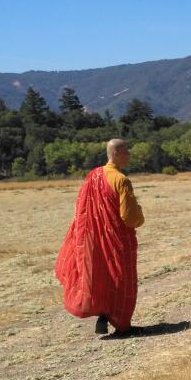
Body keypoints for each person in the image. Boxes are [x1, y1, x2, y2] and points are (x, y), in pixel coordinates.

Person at [55, 139, 145, 336]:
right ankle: (122, 325)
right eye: (126, 151)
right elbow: (129, 218)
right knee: (121, 278)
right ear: (117, 153)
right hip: (118, 239)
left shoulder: (92, 176)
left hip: (95, 238)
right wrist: (140, 214)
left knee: (101, 276)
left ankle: (104, 315)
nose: (129, 154)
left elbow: (82, 209)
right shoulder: (121, 180)